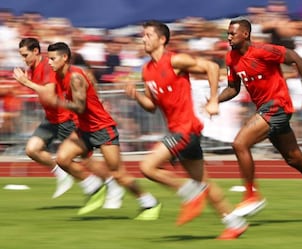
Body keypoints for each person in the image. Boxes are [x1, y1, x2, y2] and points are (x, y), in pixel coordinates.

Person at [125, 20, 248, 239]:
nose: (142, 39)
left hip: (186, 130)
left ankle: (190, 194)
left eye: (147, 35)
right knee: (205, 183)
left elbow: (211, 67)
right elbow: (152, 107)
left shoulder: (175, 60)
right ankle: (234, 222)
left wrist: (213, 100)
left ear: (161, 39)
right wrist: (137, 96)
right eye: (142, 35)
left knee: (147, 167)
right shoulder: (146, 71)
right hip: (179, 131)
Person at [218, 19, 302, 222]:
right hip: (266, 110)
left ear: (245, 34)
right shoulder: (231, 58)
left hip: (278, 106)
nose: (229, 37)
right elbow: (233, 88)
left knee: (240, 143)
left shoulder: (263, 50)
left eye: (233, 33)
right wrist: (213, 100)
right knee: (294, 159)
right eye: (228, 33)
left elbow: (297, 59)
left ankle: (251, 196)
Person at [39, 41, 161, 218]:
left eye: (52, 59)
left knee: (118, 174)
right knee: (62, 159)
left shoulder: (75, 77)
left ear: (64, 58)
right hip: (84, 129)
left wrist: (57, 102)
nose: (49, 63)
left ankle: (149, 202)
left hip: (102, 129)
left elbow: (80, 107)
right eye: (47, 59)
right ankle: (94, 187)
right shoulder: (59, 75)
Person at [12, 37, 126, 211]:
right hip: (51, 119)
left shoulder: (47, 67)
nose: (23, 59)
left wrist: (26, 83)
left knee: (87, 161)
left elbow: (49, 94)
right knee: (32, 149)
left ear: (36, 51)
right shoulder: (33, 68)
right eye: (21, 56)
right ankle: (63, 173)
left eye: (25, 55)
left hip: (66, 119)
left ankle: (111, 185)